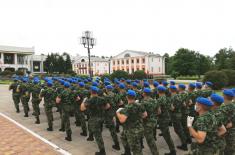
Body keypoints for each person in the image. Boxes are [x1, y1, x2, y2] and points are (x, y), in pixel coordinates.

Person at [117, 90, 147, 155]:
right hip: (138, 127)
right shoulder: (139, 105)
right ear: (135, 97)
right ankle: (127, 152)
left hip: (132, 131)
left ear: (127, 97)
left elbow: (122, 120)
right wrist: (137, 118)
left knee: (136, 149)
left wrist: (117, 113)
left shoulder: (127, 108)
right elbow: (145, 115)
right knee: (123, 137)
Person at [81, 86, 107, 155]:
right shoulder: (102, 99)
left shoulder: (90, 100)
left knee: (98, 136)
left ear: (91, 92)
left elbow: (82, 108)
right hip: (101, 118)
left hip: (94, 119)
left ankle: (102, 151)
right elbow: (107, 106)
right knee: (99, 132)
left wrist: (84, 101)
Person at [157, 86, 176, 155]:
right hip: (168, 117)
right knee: (167, 134)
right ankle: (172, 150)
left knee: (167, 136)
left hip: (162, 119)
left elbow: (158, 112)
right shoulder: (168, 98)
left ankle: (173, 151)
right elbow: (172, 108)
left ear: (158, 91)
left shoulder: (159, 100)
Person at [141, 88, 160, 155]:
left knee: (150, 140)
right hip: (154, 121)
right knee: (151, 136)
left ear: (144, 94)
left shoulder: (143, 102)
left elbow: (144, 115)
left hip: (147, 123)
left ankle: (155, 153)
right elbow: (159, 112)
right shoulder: (155, 101)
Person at [169, 85, 188, 151]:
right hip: (180, 114)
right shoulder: (179, 96)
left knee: (178, 130)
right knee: (180, 129)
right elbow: (184, 104)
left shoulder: (172, 98)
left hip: (175, 115)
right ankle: (185, 141)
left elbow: (172, 108)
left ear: (170, 90)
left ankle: (184, 144)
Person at [103, 85, 120, 150]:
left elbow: (107, 106)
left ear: (107, 89)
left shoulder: (106, 97)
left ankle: (116, 144)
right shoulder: (116, 95)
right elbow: (120, 103)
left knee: (112, 129)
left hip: (109, 113)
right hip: (115, 111)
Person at [220, 89, 235, 155]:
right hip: (231, 131)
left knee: (224, 148)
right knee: (230, 148)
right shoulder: (233, 106)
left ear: (224, 97)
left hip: (224, 130)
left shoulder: (223, 108)